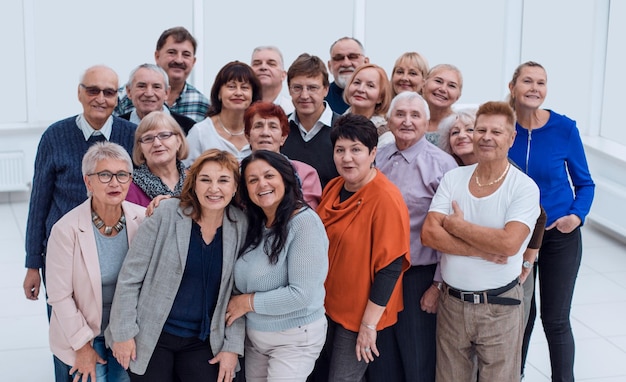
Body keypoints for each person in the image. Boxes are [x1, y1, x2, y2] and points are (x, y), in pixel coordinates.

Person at [21, 64, 136, 382]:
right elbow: (39, 202)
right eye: (93, 90)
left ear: (118, 98)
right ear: (79, 93)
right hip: (65, 259)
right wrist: (33, 262)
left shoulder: (130, 135)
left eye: (109, 92)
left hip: (115, 250)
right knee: (72, 351)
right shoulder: (55, 136)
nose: (101, 98)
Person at [422, 101, 540, 381]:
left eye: (496, 132)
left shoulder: (523, 187)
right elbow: (429, 234)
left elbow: (509, 244)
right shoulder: (453, 178)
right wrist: (482, 249)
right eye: (480, 129)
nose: (486, 137)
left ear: (511, 138)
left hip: (500, 307)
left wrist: (457, 226)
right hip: (452, 304)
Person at [107, 149, 248, 381]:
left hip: (203, 340)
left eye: (223, 180)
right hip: (152, 334)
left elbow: (237, 294)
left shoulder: (241, 226)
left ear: (234, 188)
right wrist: (123, 334)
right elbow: (130, 277)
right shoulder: (167, 213)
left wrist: (232, 346)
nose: (214, 188)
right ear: (193, 184)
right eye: (205, 180)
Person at [508, 61, 595, 381]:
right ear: (512, 87)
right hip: (515, 236)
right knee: (520, 317)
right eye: (527, 81)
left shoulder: (564, 128)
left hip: (559, 235)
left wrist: (576, 216)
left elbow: (585, 183)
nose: (534, 88)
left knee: (556, 320)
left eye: (541, 83)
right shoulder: (503, 127)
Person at [314, 114, 411, 381]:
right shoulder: (334, 188)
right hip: (324, 305)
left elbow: (390, 268)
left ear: (373, 153)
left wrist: (368, 325)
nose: (347, 158)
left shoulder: (386, 198)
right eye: (340, 150)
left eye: (356, 150)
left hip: (360, 314)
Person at [369, 92, 457, 382]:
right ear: (389, 120)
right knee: (380, 360)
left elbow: (451, 231)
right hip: (377, 275)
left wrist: (437, 285)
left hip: (417, 278)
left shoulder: (443, 166)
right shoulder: (376, 157)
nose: (407, 121)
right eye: (400, 114)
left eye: (415, 115)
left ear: (427, 121)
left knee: (417, 361)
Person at [226, 150, 328, 381]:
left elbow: (301, 294)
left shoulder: (304, 223)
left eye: (269, 175)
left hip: (294, 339)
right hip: (257, 339)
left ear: (285, 178)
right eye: (253, 180)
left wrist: (247, 302)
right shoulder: (255, 223)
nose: (262, 184)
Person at [47, 142, 145, 382]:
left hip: (127, 331)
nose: (115, 183)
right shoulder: (65, 230)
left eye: (122, 175)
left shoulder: (143, 219)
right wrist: (82, 347)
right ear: (88, 182)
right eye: (104, 175)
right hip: (84, 333)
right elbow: (59, 296)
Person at [115, 26, 209, 122]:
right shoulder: (121, 97)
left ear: (193, 61)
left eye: (186, 55)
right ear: (157, 56)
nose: (179, 60)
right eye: (172, 52)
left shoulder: (202, 105)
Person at [244, 101, 322, 208]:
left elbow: (308, 215)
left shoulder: (305, 174)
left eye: (273, 127)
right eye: (258, 126)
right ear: (248, 136)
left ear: (283, 138)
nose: (265, 133)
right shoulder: (235, 172)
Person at [281, 53, 341, 188]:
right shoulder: (279, 129)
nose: (304, 95)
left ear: (326, 89)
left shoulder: (344, 129)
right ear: (289, 90)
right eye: (297, 88)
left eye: (312, 88)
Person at [185, 61, 262, 165]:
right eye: (231, 86)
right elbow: (186, 175)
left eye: (244, 87)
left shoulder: (261, 130)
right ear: (219, 93)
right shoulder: (200, 133)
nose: (238, 93)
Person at [126, 111, 189, 207]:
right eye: (148, 138)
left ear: (178, 141)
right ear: (140, 147)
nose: (157, 143)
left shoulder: (195, 180)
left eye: (164, 135)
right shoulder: (130, 187)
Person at [118, 63, 196, 134]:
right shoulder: (116, 127)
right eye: (141, 86)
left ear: (166, 93)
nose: (149, 93)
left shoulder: (188, 128)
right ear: (129, 91)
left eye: (156, 87)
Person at [343, 63, 393, 146]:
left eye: (370, 86)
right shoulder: (333, 123)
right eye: (357, 82)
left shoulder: (385, 138)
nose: (360, 89)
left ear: (380, 97)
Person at [325, 37, 369, 114]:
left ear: (366, 62)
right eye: (339, 58)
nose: (346, 63)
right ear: (329, 66)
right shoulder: (320, 98)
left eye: (352, 57)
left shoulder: (380, 97)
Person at [422, 64, 463, 146]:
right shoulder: (407, 119)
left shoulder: (460, 126)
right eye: (438, 81)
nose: (443, 89)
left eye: (451, 86)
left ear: (458, 96)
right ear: (423, 85)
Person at [250, 46, 295, 114]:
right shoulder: (239, 109)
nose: (263, 67)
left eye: (271, 64)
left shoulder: (293, 112)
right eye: (257, 64)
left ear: (283, 75)